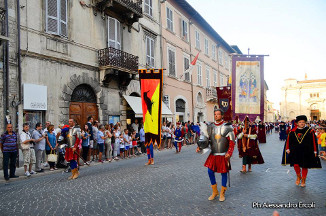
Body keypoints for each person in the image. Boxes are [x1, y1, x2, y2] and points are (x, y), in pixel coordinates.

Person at [196, 108, 236, 202]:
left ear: (222, 115)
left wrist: (229, 153)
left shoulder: (227, 127)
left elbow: (232, 142)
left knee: (223, 173)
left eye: (218, 114)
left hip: (223, 154)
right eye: (215, 114)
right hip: (213, 153)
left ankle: (222, 192)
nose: (216, 116)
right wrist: (200, 147)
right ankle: (215, 191)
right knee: (210, 171)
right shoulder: (210, 127)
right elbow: (206, 140)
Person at [282, 115, 322, 187]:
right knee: (296, 165)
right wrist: (287, 148)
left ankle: (303, 180)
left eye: (303, 122)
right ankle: (298, 176)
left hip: (306, 151)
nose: (302, 123)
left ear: (305, 123)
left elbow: (313, 141)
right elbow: (288, 141)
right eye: (300, 122)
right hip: (295, 151)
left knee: (304, 166)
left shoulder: (310, 131)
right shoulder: (292, 131)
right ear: (297, 123)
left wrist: (315, 151)